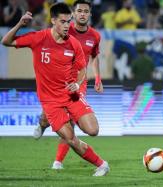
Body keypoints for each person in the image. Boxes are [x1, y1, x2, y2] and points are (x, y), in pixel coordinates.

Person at [1, 2, 109, 176]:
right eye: (63, 22)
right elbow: (5, 41)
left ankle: (69, 127)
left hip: (71, 95)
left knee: (93, 130)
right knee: (70, 138)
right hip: (50, 101)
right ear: (53, 21)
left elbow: (82, 69)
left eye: (68, 21)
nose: (67, 26)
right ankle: (102, 164)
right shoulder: (38, 38)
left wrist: (77, 83)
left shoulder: (74, 43)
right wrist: (20, 24)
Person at [32, 0, 104, 170]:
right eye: (79, 11)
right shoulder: (64, 28)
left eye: (86, 11)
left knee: (69, 120)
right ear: (74, 13)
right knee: (47, 117)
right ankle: (42, 125)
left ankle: (58, 162)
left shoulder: (94, 36)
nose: (82, 14)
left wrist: (98, 77)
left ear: (90, 14)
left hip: (79, 83)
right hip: (58, 83)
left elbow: (94, 57)